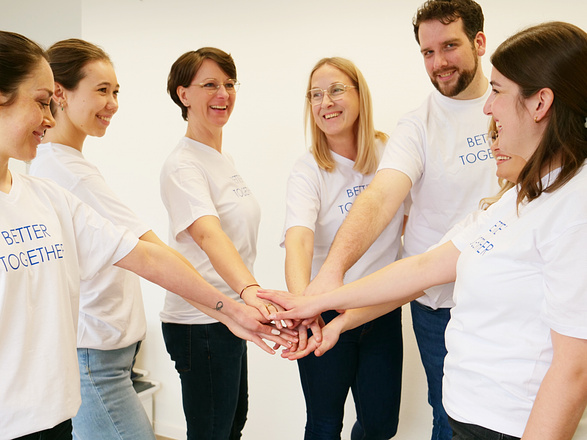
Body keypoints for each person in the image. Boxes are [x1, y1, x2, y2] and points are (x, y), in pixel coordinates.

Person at [261, 21, 587, 440]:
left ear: (540, 102)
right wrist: (322, 301)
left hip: (507, 425)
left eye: (498, 91)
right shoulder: (517, 198)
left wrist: (325, 300)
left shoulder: (574, 207)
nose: (488, 109)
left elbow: (574, 368)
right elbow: (422, 266)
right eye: (427, 52)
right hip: (466, 411)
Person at [0, 30, 292, 440]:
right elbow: (201, 237)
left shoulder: (47, 194)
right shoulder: (63, 172)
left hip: (58, 403)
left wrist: (236, 309)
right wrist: (239, 300)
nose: (48, 118)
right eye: (41, 101)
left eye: (115, 91)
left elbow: (146, 256)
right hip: (82, 370)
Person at [297, 1, 498, 438]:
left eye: (449, 46)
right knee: (448, 414)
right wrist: (329, 276)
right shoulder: (416, 127)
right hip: (435, 301)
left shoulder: (505, 108)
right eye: (428, 52)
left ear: (479, 42)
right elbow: (382, 196)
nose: (439, 62)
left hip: (500, 296)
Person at [160, 47, 287, 440]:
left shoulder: (220, 157)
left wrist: (246, 297)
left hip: (230, 313)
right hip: (200, 322)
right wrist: (251, 291)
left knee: (232, 423)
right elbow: (208, 234)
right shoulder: (183, 165)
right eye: (210, 85)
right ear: (184, 94)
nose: (223, 94)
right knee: (213, 431)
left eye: (229, 84)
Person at [283, 57, 404, 440]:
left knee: (380, 426)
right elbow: (298, 239)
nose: (326, 102)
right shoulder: (308, 170)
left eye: (336, 90)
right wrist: (304, 306)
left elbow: (410, 218)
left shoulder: (390, 153)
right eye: (315, 95)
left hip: (381, 308)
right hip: (325, 310)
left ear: (359, 94)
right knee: (324, 425)